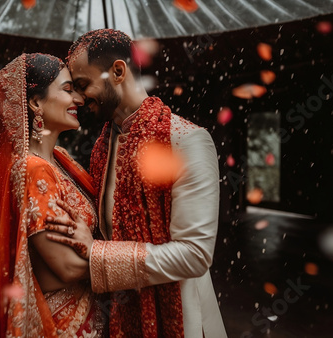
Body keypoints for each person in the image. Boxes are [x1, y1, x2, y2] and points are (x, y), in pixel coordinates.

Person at [45, 29, 228, 337]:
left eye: (82, 84)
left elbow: (194, 255)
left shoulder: (187, 141)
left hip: (181, 319)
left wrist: (97, 254)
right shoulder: (102, 147)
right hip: (120, 314)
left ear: (118, 71)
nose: (77, 97)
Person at [0, 53, 103, 337]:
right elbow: (65, 267)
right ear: (36, 102)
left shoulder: (60, 161)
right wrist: (134, 261)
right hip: (65, 326)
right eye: (67, 90)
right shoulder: (34, 169)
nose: (78, 100)